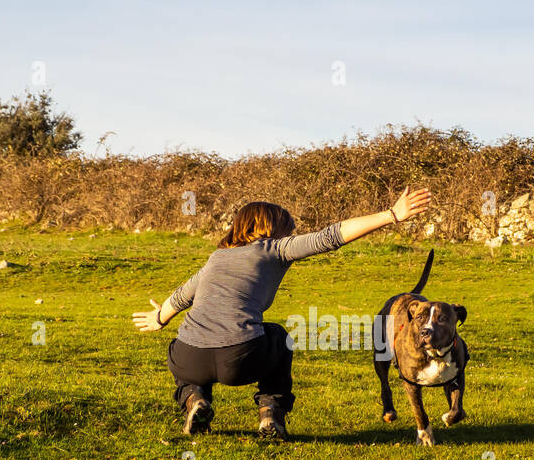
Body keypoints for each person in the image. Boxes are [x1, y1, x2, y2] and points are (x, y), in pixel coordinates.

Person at [132, 187, 431, 438]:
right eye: (288, 227)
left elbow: (184, 295)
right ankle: (270, 414)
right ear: (271, 227)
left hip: (190, 359)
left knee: (182, 343)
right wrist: (391, 215)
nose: (293, 232)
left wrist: (159, 318)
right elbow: (331, 236)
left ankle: (195, 399)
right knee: (278, 336)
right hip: (239, 358)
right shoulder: (274, 249)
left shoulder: (217, 257)